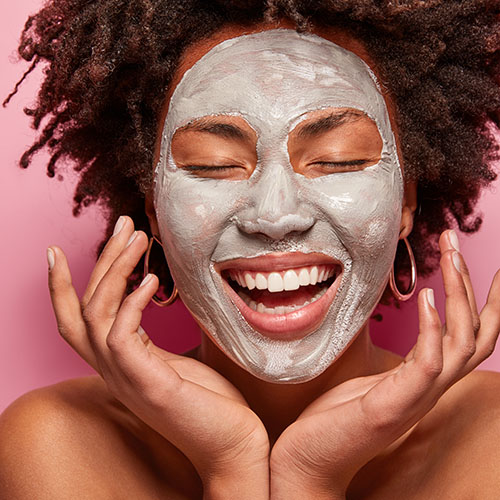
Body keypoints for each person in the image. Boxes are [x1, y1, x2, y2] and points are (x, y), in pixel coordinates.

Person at [1, 1, 500, 498]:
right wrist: (231, 463)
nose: (275, 216)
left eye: (337, 158)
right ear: (153, 208)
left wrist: (311, 476)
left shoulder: (489, 440)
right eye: (212, 164)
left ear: (405, 201)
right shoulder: (55, 442)